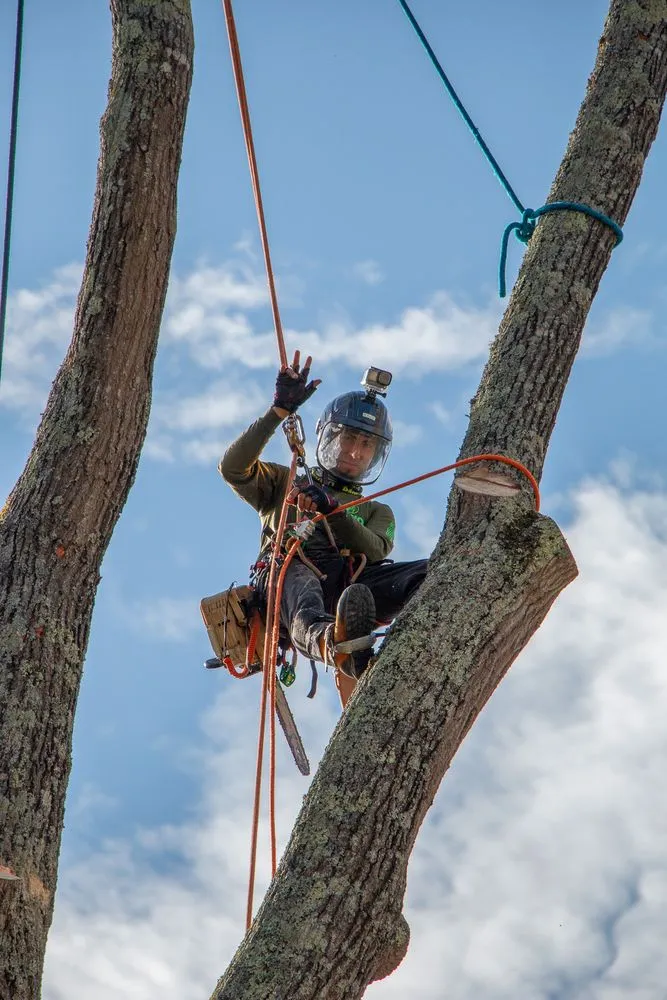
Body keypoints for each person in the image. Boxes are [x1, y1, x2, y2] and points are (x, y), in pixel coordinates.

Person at [219, 350, 427, 705]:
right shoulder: (286, 483)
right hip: (288, 576)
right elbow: (234, 468)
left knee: (427, 572)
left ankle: (423, 631)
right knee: (300, 584)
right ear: (329, 438)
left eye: (367, 445)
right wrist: (278, 413)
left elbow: (376, 549)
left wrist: (334, 512)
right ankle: (334, 645)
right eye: (349, 438)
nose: (356, 451)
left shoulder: (377, 510)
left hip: (349, 585)